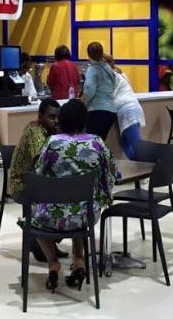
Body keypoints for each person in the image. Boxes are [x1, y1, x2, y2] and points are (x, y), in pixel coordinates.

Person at [32, 99, 116, 291]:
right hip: (87, 215)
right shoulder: (97, 143)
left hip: (53, 217)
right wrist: (104, 196)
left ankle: (53, 263)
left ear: (62, 120)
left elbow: (38, 174)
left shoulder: (52, 143)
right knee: (79, 207)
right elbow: (110, 175)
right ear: (84, 121)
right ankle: (79, 260)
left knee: (33, 220)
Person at [8, 99, 67, 261]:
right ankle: (40, 241)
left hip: (38, 183)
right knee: (62, 201)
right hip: (22, 185)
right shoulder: (34, 130)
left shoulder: (50, 132)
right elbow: (41, 161)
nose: (56, 121)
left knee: (67, 198)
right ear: (40, 116)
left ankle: (47, 241)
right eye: (51, 117)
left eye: (58, 117)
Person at [104, 54, 145, 160]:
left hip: (127, 111)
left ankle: (150, 166)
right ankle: (140, 164)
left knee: (138, 147)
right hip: (133, 108)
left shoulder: (111, 76)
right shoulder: (121, 73)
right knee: (124, 144)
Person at [81, 42, 117, 140]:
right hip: (111, 110)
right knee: (101, 141)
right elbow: (114, 84)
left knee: (93, 142)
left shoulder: (92, 69)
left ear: (88, 54)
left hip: (96, 110)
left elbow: (89, 90)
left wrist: (82, 102)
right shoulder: (108, 68)